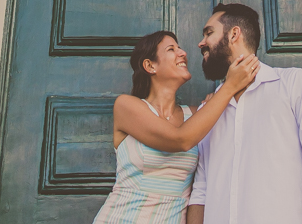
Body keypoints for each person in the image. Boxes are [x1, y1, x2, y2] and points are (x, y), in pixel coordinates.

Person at [187, 3, 302, 224]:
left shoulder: (294, 84)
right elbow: (201, 190)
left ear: (234, 34)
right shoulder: (207, 112)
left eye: (209, 33)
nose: (201, 43)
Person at [93, 29, 260, 224]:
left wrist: (213, 104)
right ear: (150, 65)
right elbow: (180, 140)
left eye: (180, 48)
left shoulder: (197, 115)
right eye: (171, 49)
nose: (183, 53)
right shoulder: (126, 107)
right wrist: (228, 87)